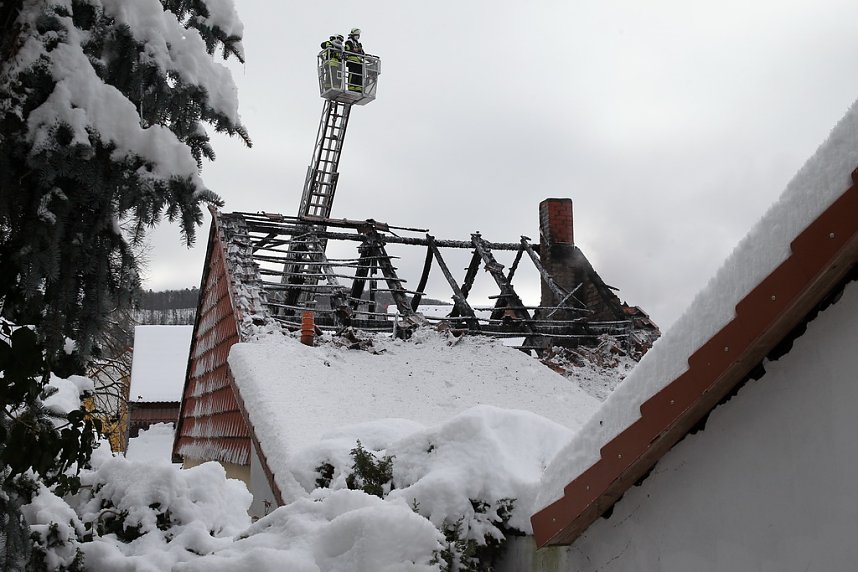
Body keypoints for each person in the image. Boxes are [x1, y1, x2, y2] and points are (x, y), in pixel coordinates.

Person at [344, 28, 365, 92]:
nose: (358, 36)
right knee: (353, 73)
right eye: (357, 35)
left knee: (359, 74)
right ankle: (351, 87)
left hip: (359, 61)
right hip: (352, 60)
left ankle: (358, 87)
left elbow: (363, 53)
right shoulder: (349, 41)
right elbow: (347, 49)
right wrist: (354, 50)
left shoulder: (358, 44)